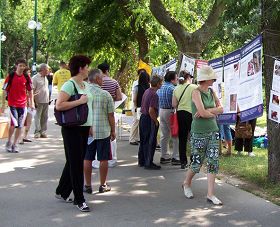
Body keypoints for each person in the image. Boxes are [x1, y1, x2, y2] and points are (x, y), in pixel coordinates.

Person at [55, 55, 93, 212]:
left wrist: (90, 126)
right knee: (77, 164)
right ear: (81, 68)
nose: (89, 69)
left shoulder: (85, 84)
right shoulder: (69, 85)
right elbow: (59, 105)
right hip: (72, 128)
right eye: (87, 67)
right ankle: (79, 199)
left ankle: (62, 191)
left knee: (73, 161)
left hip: (84, 127)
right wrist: (79, 101)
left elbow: (89, 106)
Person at [182, 65, 224, 205]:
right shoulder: (195, 92)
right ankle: (186, 183)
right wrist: (211, 112)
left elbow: (221, 109)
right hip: (199, 132)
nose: (214, 79)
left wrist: (208, 110)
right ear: (206, 79)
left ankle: (210, 194)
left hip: (213, 131)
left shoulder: (212, 91)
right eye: (212, 77)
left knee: (213, 162)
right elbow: (203, 112)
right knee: (197, 163)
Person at [83, 69, 115, 194]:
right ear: (96, 79)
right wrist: (113, 130)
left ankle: (87, 185)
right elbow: (111, 115)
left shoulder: (83, 93)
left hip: (87, 131)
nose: (103, 80)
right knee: (103, 158)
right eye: (101, 78)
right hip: (103, 131)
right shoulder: (105, 94)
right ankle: (102, 184)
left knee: (87, 158)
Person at [1, 59, 34, 153]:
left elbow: (30, 90)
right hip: (12, 104)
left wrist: (31, 103)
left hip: (23, 105)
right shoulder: (11, 76)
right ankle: (9, 142)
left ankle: (15, 144)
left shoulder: (26, 77)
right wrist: (3, 104)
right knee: (13, 125)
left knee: (20, 126)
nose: (22, 68)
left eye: (24, 66)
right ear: (16, 66)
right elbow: (4, 90)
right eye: (20, 66)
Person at [98, 61, 122, 167]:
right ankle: (111, 159)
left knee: (97, 135)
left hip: (97, 112)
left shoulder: (95, 82)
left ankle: (97, 159)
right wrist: (112, 98)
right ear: (107, 70)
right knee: (111, 134)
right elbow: (120, 97)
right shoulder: (114, 82)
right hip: (110, 110)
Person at [172, 70, 197, 169]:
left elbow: (174, 104)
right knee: (194, 137)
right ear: (188, 77)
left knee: (182, 139)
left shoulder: (176, 88)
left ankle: (183, 162)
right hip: (192, 114)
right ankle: (193, 160)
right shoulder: (194, 87)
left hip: (180, 114)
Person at [138, 75, 162, 170]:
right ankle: (148, 162)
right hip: (149, 119)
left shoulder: (147, 91)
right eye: (161, 82)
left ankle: (142, 160)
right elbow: (151, 110)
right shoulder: (154, 95)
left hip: (143, 118)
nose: (162, 84)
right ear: (158, 83)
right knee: (150, 141)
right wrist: (155, 121)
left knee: (143, 140)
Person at [157, 71, 180, 166]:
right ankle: (175, 157)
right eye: (176, 78)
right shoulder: (173, 89)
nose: (177, 79)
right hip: (170, 112)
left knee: (164, 135)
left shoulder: (160, 87)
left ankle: (164, 156)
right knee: (175, 134)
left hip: (161, 111)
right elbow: (176, 102)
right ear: (172, 79)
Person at [129, 70, 150, 145]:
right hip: (145, 108)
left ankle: (133, 139)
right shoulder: (148, 88)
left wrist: (135, 106)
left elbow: (134, 99)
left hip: (137, 107)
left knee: (136, 123)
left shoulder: (137, 87)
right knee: (143, 124)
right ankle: (139, 138)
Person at [32, 63, 50, 138]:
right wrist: (33, 101)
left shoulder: (45, 77)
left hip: (46, 100)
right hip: (38, 100)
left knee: (45, 117)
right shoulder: (35, 78)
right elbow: (32, 90)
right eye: (47, 69)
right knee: (38, 116)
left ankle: (43, 131)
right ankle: (37, 132)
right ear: (42, 69)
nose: (48, 71)